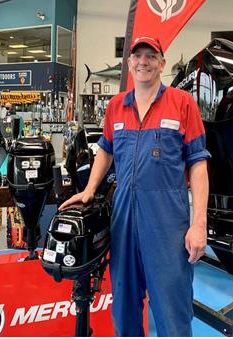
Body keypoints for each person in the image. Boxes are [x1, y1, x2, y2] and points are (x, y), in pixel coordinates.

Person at [60, 36, 210, 336]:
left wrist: (199, 224)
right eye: (137, 56)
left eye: (151, 56)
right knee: (125, 309)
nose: (143, 61)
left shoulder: (183, 104)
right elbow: (105, 150)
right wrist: (90, 190)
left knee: (173, 307)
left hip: (168, 222)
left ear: (162, 63)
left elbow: (198, 163)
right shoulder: (116, 106)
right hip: (124, 220)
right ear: (129, 64)